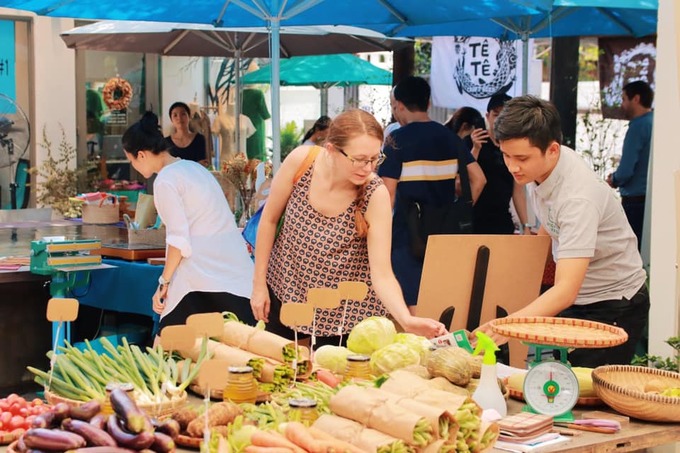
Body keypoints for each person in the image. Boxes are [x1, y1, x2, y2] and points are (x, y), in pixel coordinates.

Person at [250, 109, 447, 348]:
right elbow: (269, 220)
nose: (368, 168)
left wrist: (406, 319)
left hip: (343, 318)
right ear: (332, 149)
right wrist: (259, 284)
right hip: (285, 294)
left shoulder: (376, 194)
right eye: (360, 159)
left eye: (375, 159)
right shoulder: (302, 161)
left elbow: (382, 272)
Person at [477, 96, 649, 368]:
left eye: (521, 158)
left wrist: (505, 326)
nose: (512, 167)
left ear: (553, 150)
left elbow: (566, 290)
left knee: (586, 394)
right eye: (506, 155)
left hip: (614, 301)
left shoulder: (577, 198)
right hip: (580, 296)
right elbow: (549, 225)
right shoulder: (545, 167)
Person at [122, 112, 255, 333]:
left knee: (168, 347)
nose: (134, 167)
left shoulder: (165, 181)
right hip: (235, 277)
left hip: (202, 281)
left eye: (132, 161)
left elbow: (178, 241)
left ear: (142, 155)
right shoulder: (194, 169)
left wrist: (163, 282)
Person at [378, 76, 486, 314]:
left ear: (399, 106)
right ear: (428, 104)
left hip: (406, 235)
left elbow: (387, 193)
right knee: (440, 301)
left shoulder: (396, 140)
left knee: (410, 305)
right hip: (444, 233)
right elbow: (479, 179)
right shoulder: (448, 136)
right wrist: (460, 211)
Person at [466, 95, 530, 235]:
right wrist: (476, 148)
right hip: (474, 219)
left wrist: (526, 225)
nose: (499, 120)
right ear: (487, 116)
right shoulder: (474, 141)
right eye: (495, 115)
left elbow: (518, 191)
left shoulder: (514, 147)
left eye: (504, 116)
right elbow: (465, 178)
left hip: (502, 220)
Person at [607, 81, 654, 250]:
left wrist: (614, 179)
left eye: (624, 99)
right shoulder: (654, 122)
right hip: (649, 198)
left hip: (634, 200)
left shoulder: (638, 126)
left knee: (630, 252)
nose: (622, 104)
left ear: (636, 98)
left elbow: (626, 169)